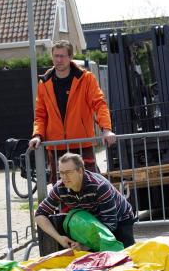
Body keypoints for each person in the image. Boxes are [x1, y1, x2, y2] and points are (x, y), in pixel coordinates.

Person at [29, 40, 117, 183]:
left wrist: (106, 129)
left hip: (82, 143)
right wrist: (37, 135)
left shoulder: (86, 79)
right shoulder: (44, 83)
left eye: (62, 56)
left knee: (88, 185)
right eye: (56, 56)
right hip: (56, 146)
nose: (58, 60)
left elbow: (99, 104)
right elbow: (40, 114)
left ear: (70, 57)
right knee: (61, 188)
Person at [35, 153, 136, 250]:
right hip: (93, 222)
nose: (64, 177)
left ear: (80, 171)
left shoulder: (99, 187)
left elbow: (110, 225)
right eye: (61, 173)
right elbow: (39, 214)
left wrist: (86, 246)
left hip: (120, 219)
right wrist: (59, 238)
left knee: (123, 255)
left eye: (68, 172)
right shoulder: (60, 188)